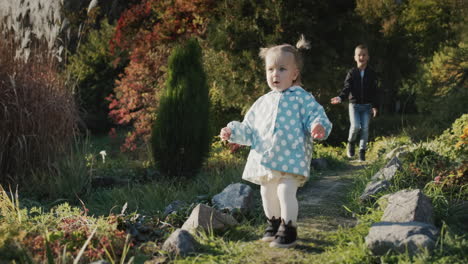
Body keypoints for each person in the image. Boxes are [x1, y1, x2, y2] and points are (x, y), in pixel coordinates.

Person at [219, 35, 332, 248]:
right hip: (266, 159)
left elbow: (316, 115)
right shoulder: (262, 102)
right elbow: (249, 129)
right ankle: (274, 223)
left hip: (292, 157)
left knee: (284, 191)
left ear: (294, 73)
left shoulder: (302, 98)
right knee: (267, 191)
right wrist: (232, 131)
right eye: (270, 69)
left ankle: (289, 228)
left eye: (281, 69)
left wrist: (318, 126)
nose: (275, 74)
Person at [330, 44, 378, 161]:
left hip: (367, 106)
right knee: (355, 126)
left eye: (364, 55)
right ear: (355, 57)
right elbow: (347, 88)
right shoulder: (352, 73)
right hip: (354, 105)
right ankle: (351, 143)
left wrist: (375, 106)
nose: (361, 57)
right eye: (359, 55)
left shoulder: (371, 73)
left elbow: (375, 91)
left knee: (365, 128)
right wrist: (340, 98)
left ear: (368, 57)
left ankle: (362, 151)